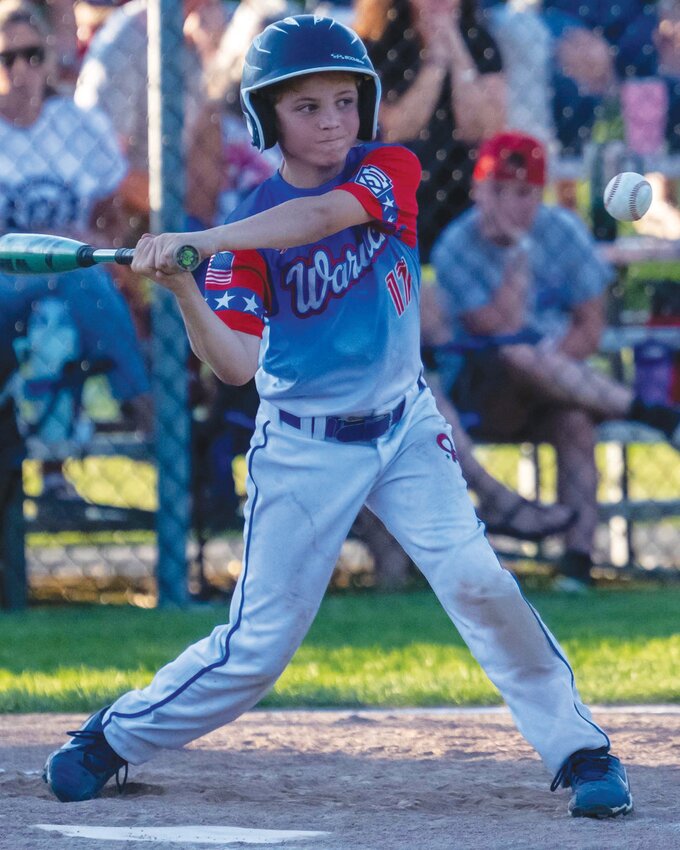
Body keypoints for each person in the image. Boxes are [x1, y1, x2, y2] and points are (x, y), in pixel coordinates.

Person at [43, 15, 633, 819]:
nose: (331, 121)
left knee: (478, 580)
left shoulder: (388, 168)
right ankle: (112, 738)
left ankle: (581, 749)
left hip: (405, 429)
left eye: (344, 101)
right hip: (303, 449)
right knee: (256, 651)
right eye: (306, 107)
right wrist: (185, 283)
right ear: (267, 118)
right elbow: (237, 364)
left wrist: (201, 237)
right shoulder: (252, 224)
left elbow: (321, 219)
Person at [430, 130, 680, 588]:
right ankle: (654, 414)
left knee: (574, 420)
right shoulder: (456, 244)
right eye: (497, 189)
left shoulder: (563, 231)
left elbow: (591, 326)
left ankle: (577, 564)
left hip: (554, 380)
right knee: (517, 351)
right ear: (477, 189)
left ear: (540, 193)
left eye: (523, 192)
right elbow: (498, 328)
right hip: (482, 386)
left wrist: (553, 369)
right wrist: (519, 252)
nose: (509, 203)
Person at [0, 0, 152, 498]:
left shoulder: (76, 124)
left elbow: (113, 204)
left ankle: (53, 467)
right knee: (74, 270)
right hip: (8, 282)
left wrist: (107, 237)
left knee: (57, 320)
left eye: (31, 56)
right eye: (6, 59)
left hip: (69, 289)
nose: (21, 70)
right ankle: (146, 405)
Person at [353, 0, 506, 261]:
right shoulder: (376, 43)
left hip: (463, 189)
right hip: (397, 189)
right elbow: (395, 129)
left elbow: (482, 128)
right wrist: (436, 61)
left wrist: (455, 49)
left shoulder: (479, 41)